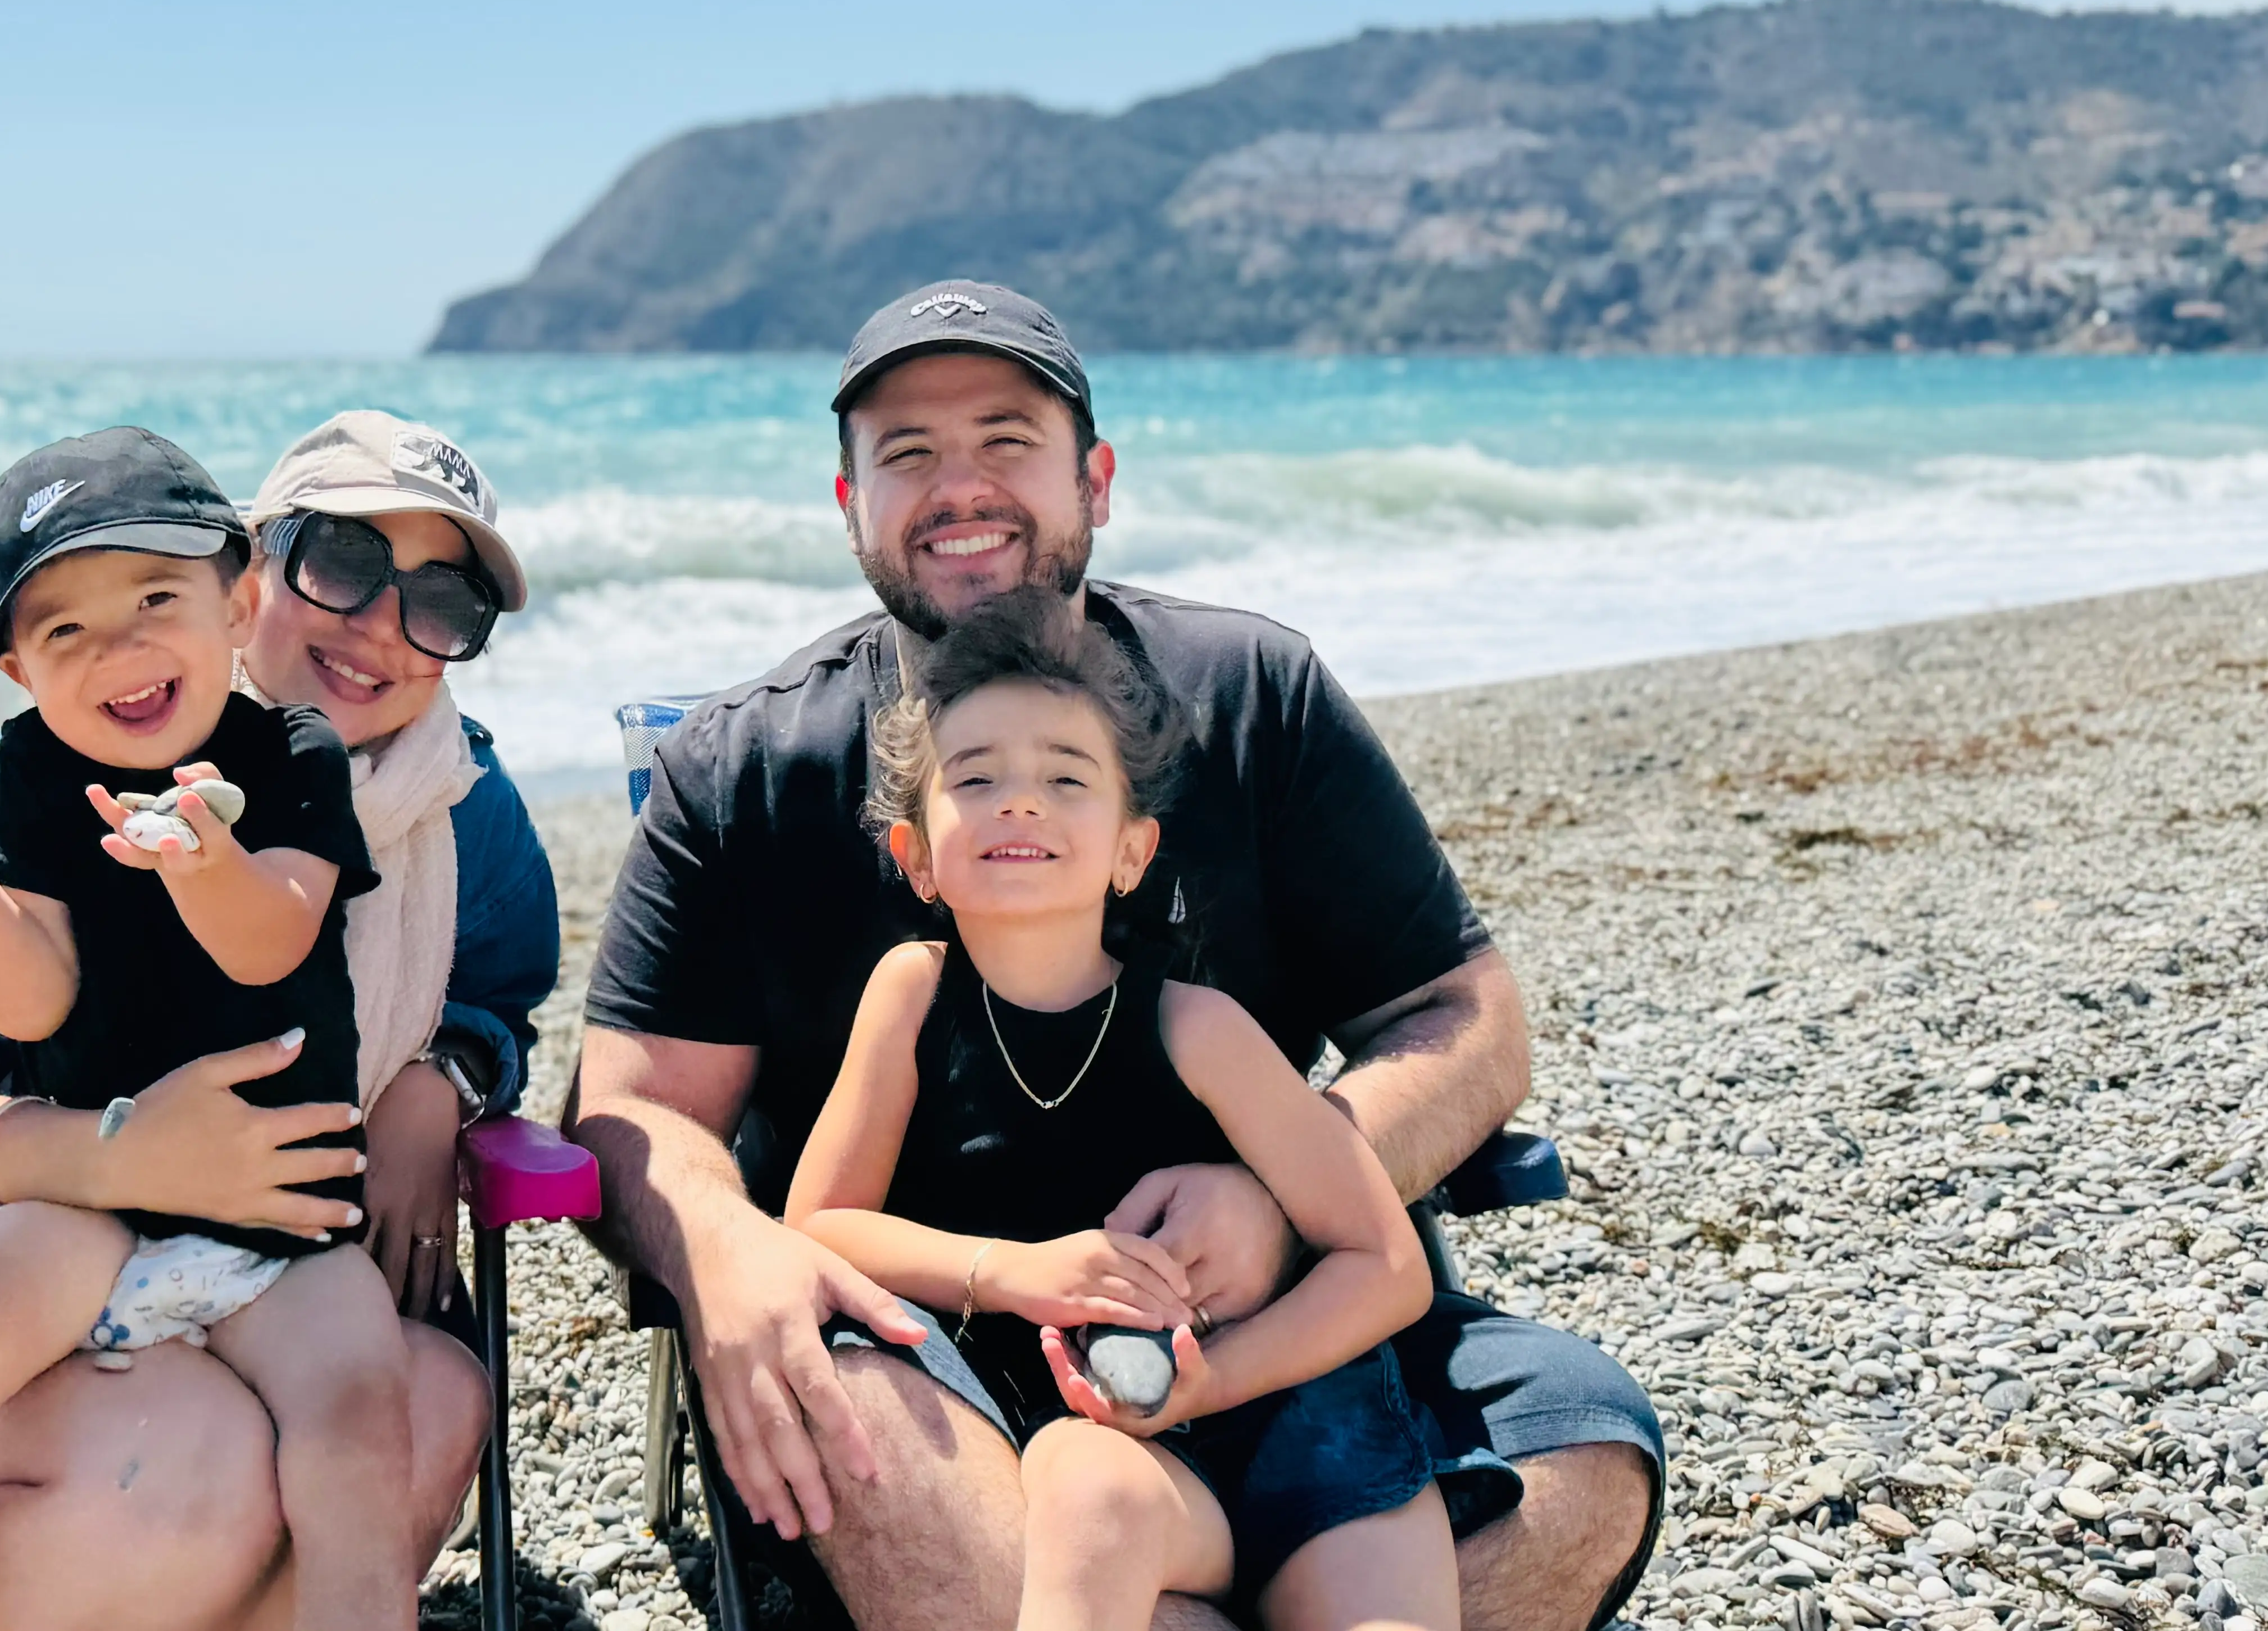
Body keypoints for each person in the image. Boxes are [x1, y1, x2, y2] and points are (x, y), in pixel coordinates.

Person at [568, 281, 1662, 1631]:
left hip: (1269, 1349)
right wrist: (727, 1250)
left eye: (1008, 439)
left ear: (1095, 479)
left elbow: (1465, 1018)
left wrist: (1276, 1192)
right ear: (848, 505)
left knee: (1589, 1453)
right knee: (867, 1438)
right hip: (933, 1357)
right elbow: (629, 1112)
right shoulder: (744, 770)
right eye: (906, 453)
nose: (960, 486)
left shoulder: (1257, 697)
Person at [0, 409, 559, 1629]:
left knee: (431, 1397)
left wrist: (436, 1079)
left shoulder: (458, 809)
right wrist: (119, 1153)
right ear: (255, 564)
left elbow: (494, 991)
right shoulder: (5, 800)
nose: (382, 626)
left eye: (443, 601)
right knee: (197, 1462)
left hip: (222, 1264)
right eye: (341, 562)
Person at [786, 591, 1449, 1631]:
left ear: (1132, 853)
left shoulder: (1198, 1025)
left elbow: (1387, 1266)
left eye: (1065, 777)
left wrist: (1210, 1383)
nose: (1021, 803)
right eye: (977, 778)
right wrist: (1009, 1271)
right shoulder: (912, 997)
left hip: (1298, 1430)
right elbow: (816, 1232)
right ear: (915, 858)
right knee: (1083, 1484)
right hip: (1105, 1452)